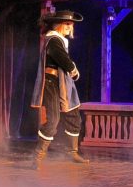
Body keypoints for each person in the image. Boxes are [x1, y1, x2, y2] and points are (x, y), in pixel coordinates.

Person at [30, 10, 89, 170]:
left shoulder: (59, 40)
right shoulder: (53, 39)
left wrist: (71, 70)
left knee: (73, 115)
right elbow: (61, 57)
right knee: (53, 119)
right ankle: (38, 156)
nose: (70, 27)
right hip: (52, 83)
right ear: (57, 25)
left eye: (71, 24)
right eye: (67, 24)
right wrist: (73, 69)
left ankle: (72, 152)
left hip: (63, 82)